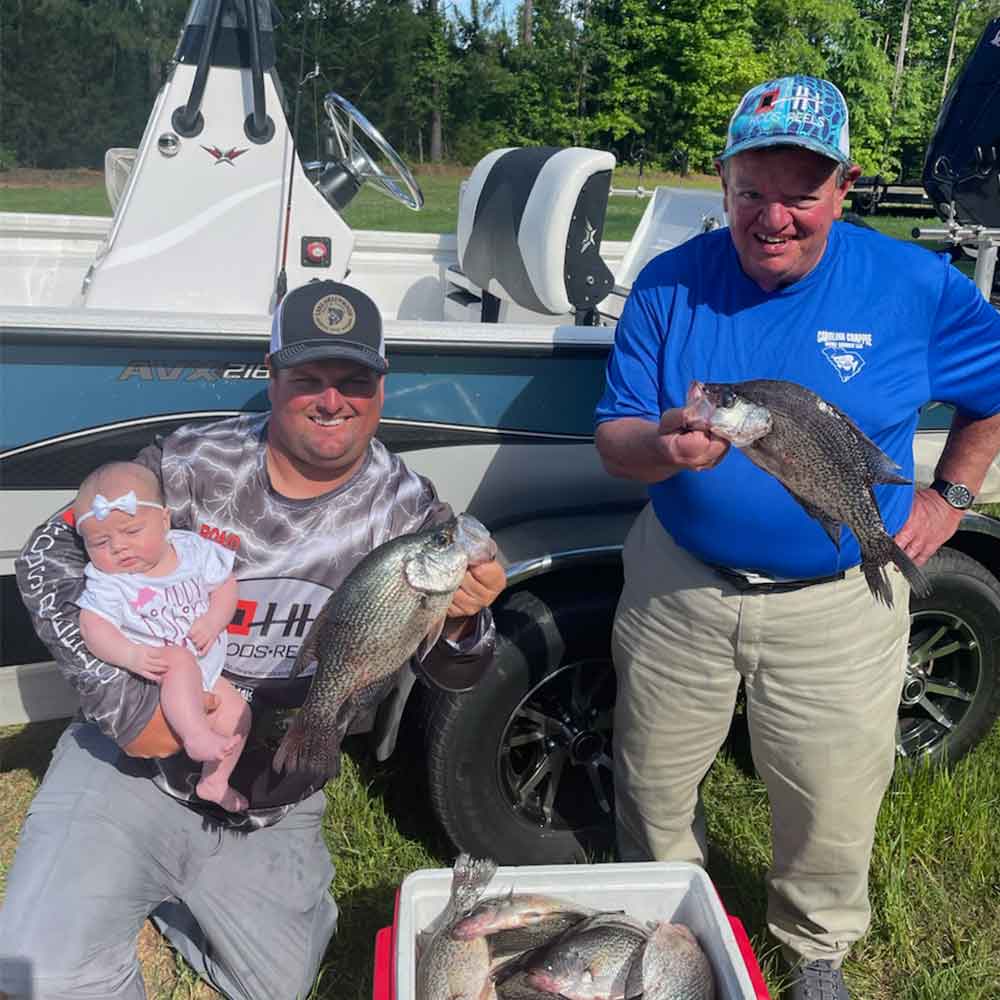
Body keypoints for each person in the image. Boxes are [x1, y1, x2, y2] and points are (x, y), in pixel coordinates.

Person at [594, 75, 1000, 1000]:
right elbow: (615, 440)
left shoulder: (914, 287)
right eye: (752, 191)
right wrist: (664, 447)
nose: (772, 217)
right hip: (679, 584)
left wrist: (949, 498)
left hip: (838, 603)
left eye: (800, 194)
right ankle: (665, 930)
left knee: (831, 795)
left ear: (843, 189)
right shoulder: (668, 283)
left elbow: (994, 391)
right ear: (724, 182)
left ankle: (817, 952)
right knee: (651, 782)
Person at [1, 279, 507, 1000]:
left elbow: (458, 674)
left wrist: (462, 620)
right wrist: (128, 708)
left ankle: (173, 893)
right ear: (271, 377)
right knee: (43, 971)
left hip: (274, 784)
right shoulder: (188, 463)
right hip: (138, 767)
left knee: (275, 986)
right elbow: (48, 554)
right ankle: (130, 866)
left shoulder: (411, 512)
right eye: (308, 378)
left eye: (354, 380)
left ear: (382, 386)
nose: (332, 400)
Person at [74, 461, 250, 812]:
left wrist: (214, 620)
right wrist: (130, 655)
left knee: (238, 712)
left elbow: (225, 585)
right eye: (101, 542)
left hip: (207, 667)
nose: (119, 547)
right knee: (177, 659)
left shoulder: (193, 550)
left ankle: (214, 782)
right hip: (159, 668)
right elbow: (92, 626)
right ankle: (196, 736)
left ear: (165, 520)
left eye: (132, 531)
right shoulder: (109, 581)